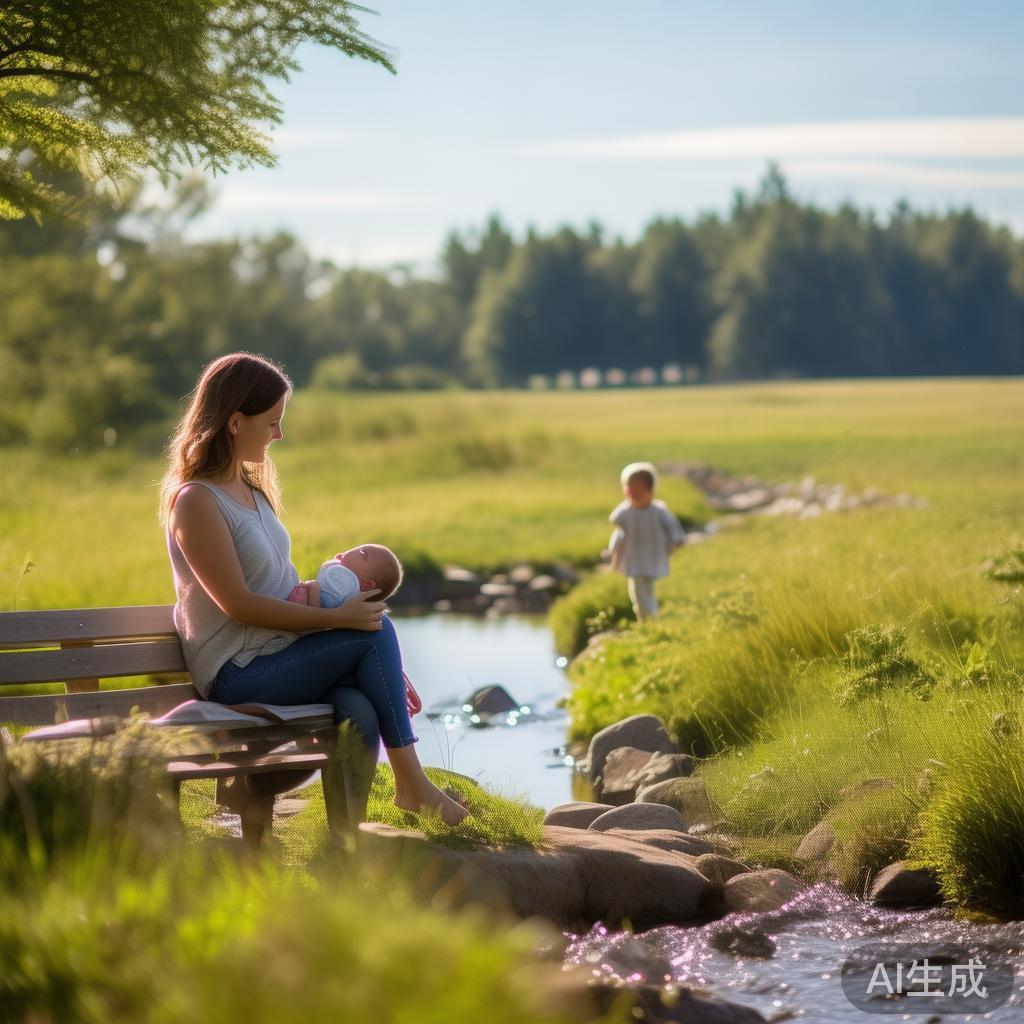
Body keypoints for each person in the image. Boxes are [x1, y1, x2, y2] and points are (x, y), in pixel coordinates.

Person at [159, 351, 467, 826]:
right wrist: (338, 622)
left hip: (279, 655)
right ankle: (412, 784)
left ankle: (346, 848)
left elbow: (278, 584)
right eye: (272, 422)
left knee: (359, 706)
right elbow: (238, 605)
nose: (279, 434)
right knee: (373, 629)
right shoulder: (196, 502)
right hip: (236, 671)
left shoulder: (252, 491)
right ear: (236, 421)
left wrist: (365, 654)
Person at [608, 461, 685, 621]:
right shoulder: (627, 512)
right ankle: (647, 619)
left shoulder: (658, 510)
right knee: (637, 591)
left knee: (645, 590)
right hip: (634, 558)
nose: (635, 494)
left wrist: (674, 542)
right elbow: (616, 523)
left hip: (651, 557)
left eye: (639, 490)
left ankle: (649, 620)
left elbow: (673, 528)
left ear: (650, 489)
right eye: (631, 489)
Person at [287, 543, 403, 609]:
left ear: (367, 585)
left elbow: (320, 611)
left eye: (363, 553)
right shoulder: (345, 584)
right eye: (359, 547)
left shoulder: (344, 585)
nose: (355, 549)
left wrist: (314, 588)